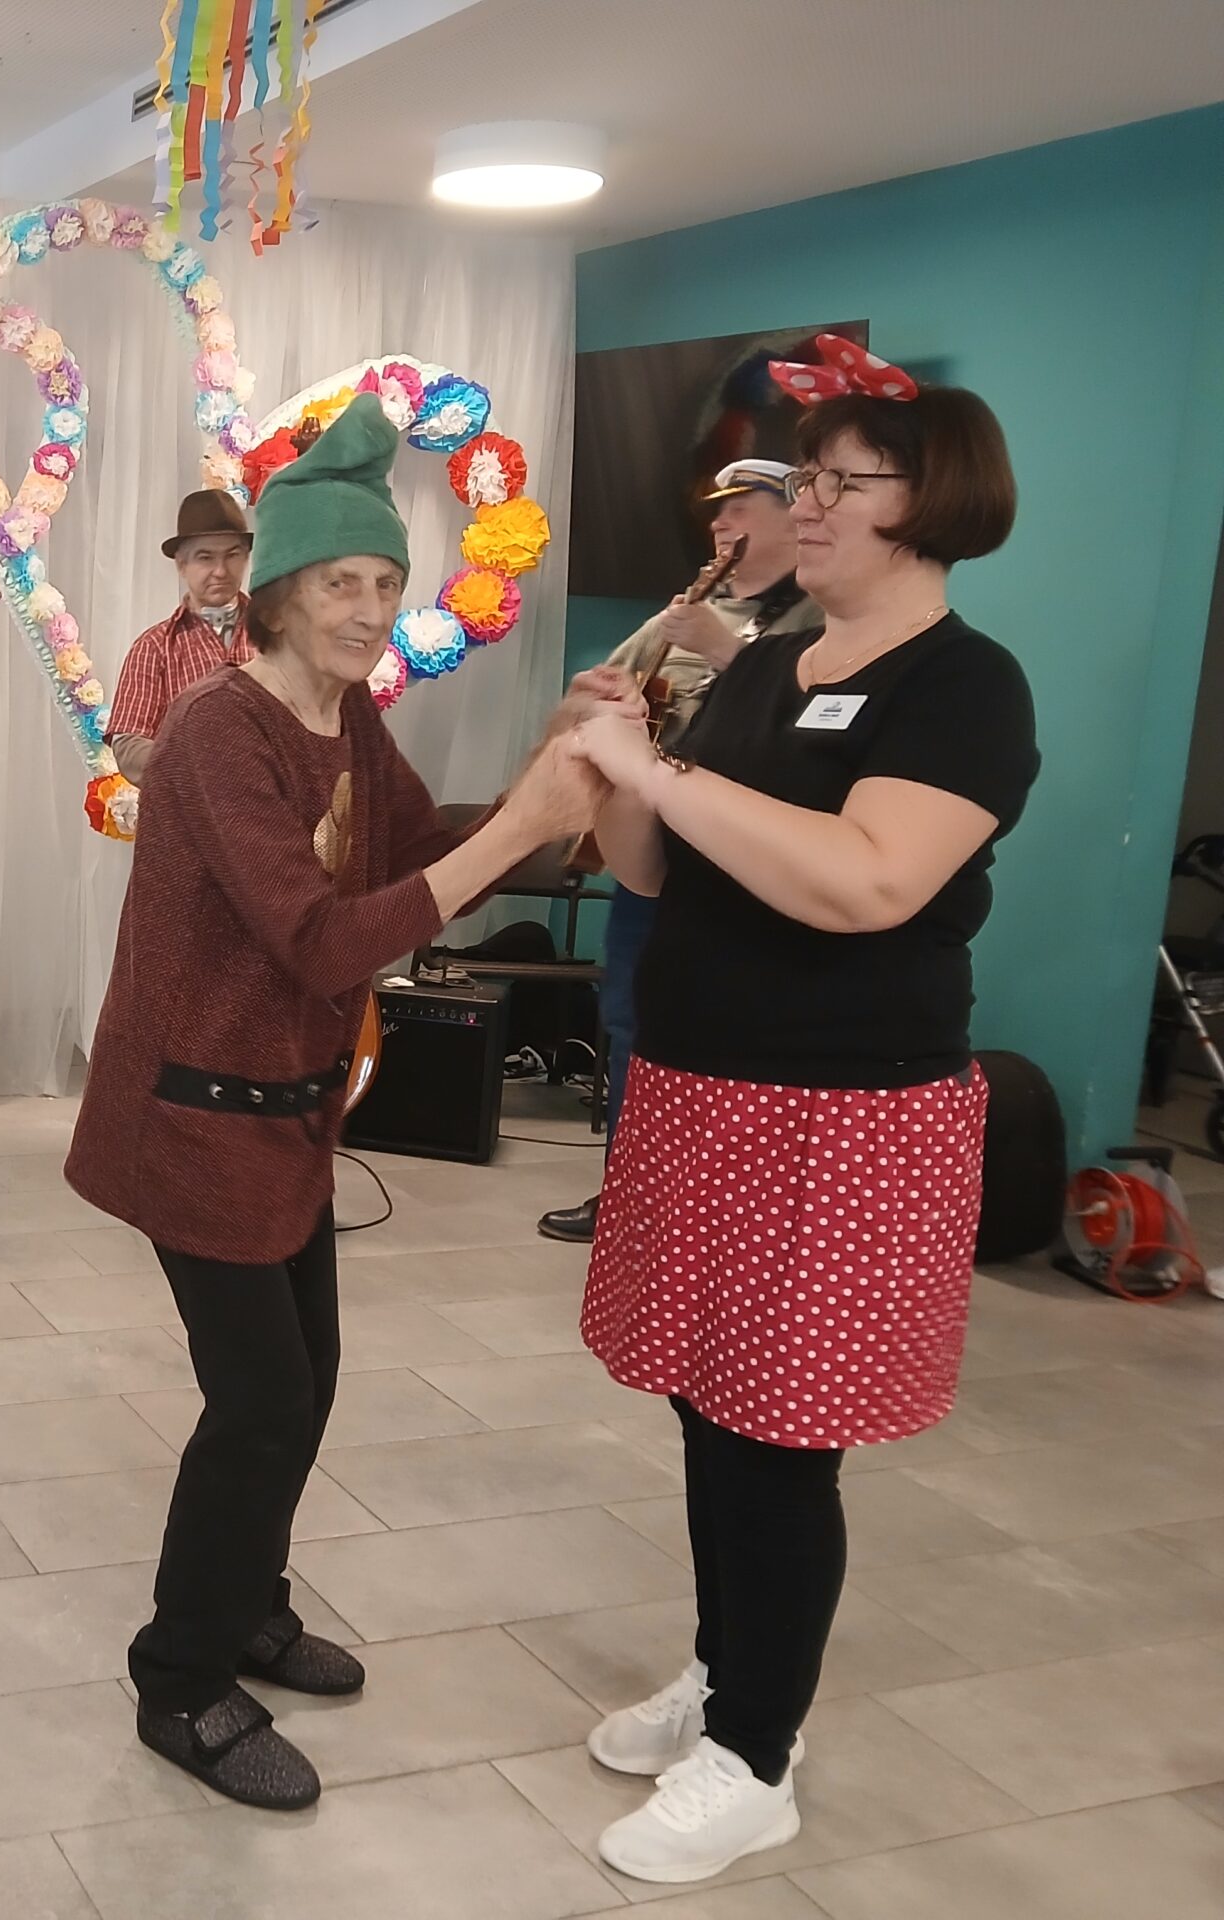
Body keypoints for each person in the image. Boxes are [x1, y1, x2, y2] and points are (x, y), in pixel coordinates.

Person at [65, 396, 617, 1810]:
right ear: (278, 594)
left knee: (303, 1381)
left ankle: (249, 1605)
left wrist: (551, 768)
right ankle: (180, 1680)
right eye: (341, 584)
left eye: (386, 581)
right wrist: (527, 819)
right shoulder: (217, 733)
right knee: (260, 1402)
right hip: (190, 1113)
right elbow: (320, 940)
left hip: (288, 1109)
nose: (371, 611)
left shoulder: (347, 715)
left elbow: (424, 849)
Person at [565, 373, 1034, 1884]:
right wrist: (618, 758)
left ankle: (757, 1754)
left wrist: (660, 771)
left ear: (932, 505)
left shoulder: (964, 684)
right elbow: (655, 871)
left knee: (779, 1439)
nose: (804, 505)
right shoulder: (769, 666)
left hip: (844, 1119)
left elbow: (866, 881)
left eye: (843, 481)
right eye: (805, 478)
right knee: (709, 1409)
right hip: (701, 1090)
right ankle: (729, 1673)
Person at [539, 459, 820, 1242]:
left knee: (736, 1037)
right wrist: (592, 702)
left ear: (796, 514)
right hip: (654, 860)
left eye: (742, 509)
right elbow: (596, 695)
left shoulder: (822, 618)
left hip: (753, 870)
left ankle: (722, 1213)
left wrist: (727, 651)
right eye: (716, 513)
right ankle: (630, 1199)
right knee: (632, 1022)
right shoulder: (687, 611)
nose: (721, 525)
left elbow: (817, 726)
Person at [104, 488, 256, 785]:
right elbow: (128, 744)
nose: (220, 571)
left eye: (232, 555)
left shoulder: (278, 634)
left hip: (274, 807)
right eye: (205, 557)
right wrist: (193, 761)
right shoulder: (154, 647)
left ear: (246, 558)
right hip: (190, 807)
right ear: (181, 564)